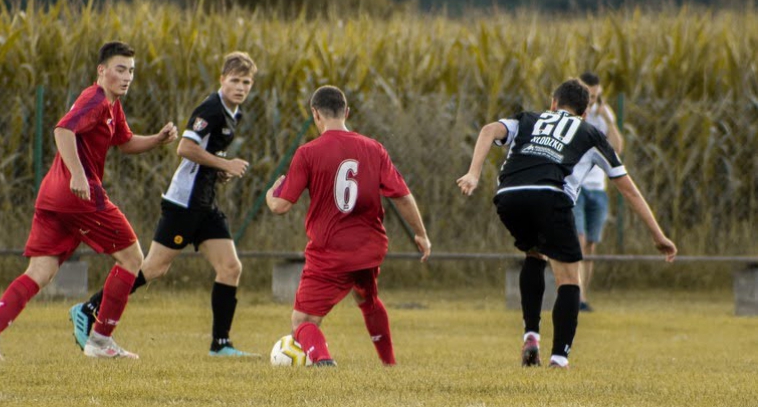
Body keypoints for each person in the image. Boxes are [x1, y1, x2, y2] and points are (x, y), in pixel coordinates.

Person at [0, 41, 179, 360]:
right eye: (120, 69)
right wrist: (78, 174)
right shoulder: (94, 98)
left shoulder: (112, 105)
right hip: (79, 196)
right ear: (102, 70)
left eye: (131, 71)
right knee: (133, 259)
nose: (127, 77)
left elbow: (125, 142)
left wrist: (158, 140)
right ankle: (100, 341)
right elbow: (62, 130)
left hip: (53, 197)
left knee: (40, 271)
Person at [456, 78, 676, 369]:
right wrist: (658, 236)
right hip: (550, 195)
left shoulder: (528, 118)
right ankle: (559, 359)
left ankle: (531, 335)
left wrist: (473, 173)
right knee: (570, 279)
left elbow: (488, 130)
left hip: (509, 196)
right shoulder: (591, 133)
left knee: (534, 253)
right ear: (585, 114)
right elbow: (629, 190)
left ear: (553, 104)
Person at [70, 51, 258, 357]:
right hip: (184, 203)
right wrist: (224, 165)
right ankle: (89, 308)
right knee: (155, 267)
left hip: (205, 203)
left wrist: (216, 169)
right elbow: (185, 148)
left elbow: (204, 155)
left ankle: (220, 344)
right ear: (222, 80)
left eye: (246, 82)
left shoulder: (234, 113)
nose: (240, 87)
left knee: (230, 267)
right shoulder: (211, 108)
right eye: (234, 80)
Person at [265, 85, 432, 367]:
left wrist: (272, 194)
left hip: (330, 252)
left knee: (302, 322)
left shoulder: (308, 153)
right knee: (367, 298)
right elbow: (402, 196)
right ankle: (389, 364)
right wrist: (421, 234)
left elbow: (281, 206)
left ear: (315, 114)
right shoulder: (373, 148)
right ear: (347, 112)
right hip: (369, 250)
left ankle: (323, 361)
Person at [573, 72, 624, 312]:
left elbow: (617, 148)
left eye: (596, 96)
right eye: (589, 96)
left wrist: (608, 120)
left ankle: (584, 293)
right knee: (579, 240)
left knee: (590, 245)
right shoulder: (572, 111)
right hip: (577, 186)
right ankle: (578, 296)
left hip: (598, 187)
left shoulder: (604, 114)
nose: (592, 100)